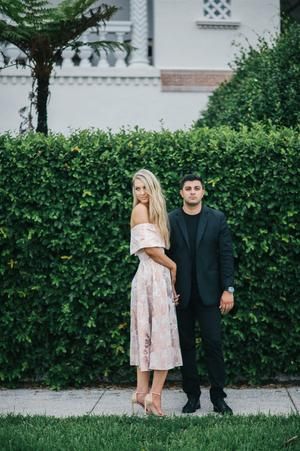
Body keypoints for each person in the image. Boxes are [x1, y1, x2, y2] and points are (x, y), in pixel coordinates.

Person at [167, 174, 235, 415]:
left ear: (203, 192)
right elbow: (165, 257)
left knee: (213, 344)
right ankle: (192, 397)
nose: (192, 192)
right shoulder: (170, 220)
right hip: (182, 296)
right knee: (185, 346)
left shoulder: (217, 219)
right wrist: (168, 290)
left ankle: (218, 397)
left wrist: (228, 289)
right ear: (181, 193)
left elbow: (226, 256)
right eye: (188, 188)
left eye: (197, 188)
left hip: (210, 296)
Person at [130, 169, 182, 416]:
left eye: (144, 188)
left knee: (151, 335)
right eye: (137, 188)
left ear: (153, 187)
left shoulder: (155, 213)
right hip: (151, 277)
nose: (141, 193)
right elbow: (151, 250)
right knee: (160, 338)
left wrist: (170, 282)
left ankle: (143, 393)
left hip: (156, 278)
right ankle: (154, 397)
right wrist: (173, 266)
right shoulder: (140, 210)